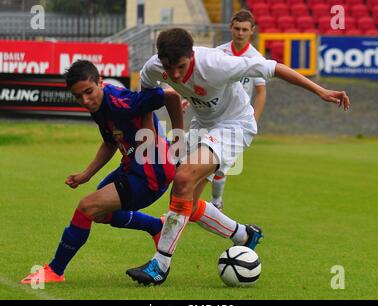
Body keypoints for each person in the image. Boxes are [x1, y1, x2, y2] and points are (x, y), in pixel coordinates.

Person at [126, 28, 350, 286]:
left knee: (183, 178)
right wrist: (146, 134)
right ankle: (244, 235)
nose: (175, 74)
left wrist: (320, 90)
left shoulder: (216, 64)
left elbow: (274, 67)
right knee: (187, 200)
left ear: (192, 55)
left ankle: (160, 266)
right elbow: (147, 94)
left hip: (234, 125)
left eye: (180, 66)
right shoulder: (155, 67)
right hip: (202, 126)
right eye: (169, 67)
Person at [20, 59, 183, 284]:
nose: (85, 101)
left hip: (150, 173)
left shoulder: (120, 101)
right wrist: (86, 174)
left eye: (89, 92)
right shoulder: (98, 107)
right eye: (79, 96)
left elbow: (171, 96)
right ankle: (157, 226)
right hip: (131, 167)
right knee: (100, 214)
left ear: (100, 82)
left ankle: (55, 270)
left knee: (86, 207)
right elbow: (110, 142)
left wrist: (178, 140)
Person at [211, 9, 267, 210]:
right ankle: (196, 204)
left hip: (236, 119)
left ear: (252, 31)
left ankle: (215, 202)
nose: (240, 33)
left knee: (220, 166)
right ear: (231, 28)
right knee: (200, 160)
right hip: (213, 114)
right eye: (237, 28)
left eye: (245, 29)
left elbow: (261, 92)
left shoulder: (256, 59)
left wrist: (254, 121)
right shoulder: (219, 53)